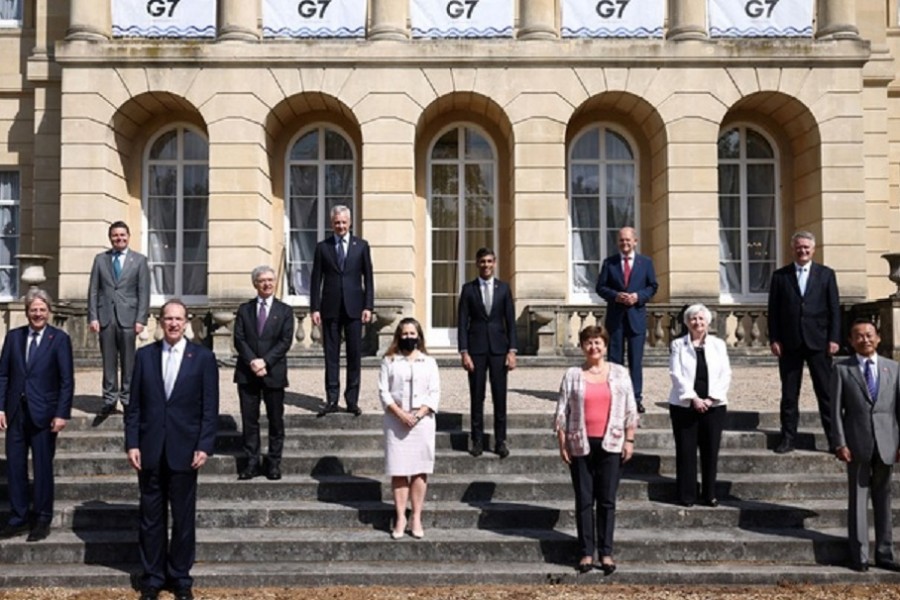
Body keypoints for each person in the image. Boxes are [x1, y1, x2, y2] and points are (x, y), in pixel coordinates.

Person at [125, 299, 219, 600]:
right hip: (150, 448)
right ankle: (152, 577)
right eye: (168, 319)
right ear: (160, 321)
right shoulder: (144, 357)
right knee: (150, 518)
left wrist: (205, 444)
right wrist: (132, 443)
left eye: (179, 319)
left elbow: (209, 407)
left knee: (182, 517)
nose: (174, 324)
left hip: (185, 449)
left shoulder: (202, 358)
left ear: (186, 321)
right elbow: (134, 406)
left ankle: (180, 576)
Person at [554, 325, 638, 575]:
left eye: (598, 342)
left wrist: (630, 439)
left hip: (611, 442)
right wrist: (562, 442)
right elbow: (561, 411)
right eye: (589, 342)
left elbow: (630, 409)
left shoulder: (620, 373)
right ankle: (586, 552)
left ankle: (606, 552)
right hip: (580, 442)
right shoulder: (572, 374)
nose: (594, 347)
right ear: (582, 346)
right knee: (583, 500)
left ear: (605, 345)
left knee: (607, 500)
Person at [0, 289, 73, 542]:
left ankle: (42, 518)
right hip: (16, 412)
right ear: (27, 311)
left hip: (45, 414)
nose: (38, 314)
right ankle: (18, 516)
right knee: (15, 466)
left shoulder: (59, 339)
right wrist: (0, 407)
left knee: (42, 468)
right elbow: (4, 375)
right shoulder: (13, 337)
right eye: (33, 309)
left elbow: (66, 381)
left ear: (48, 311)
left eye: (42, 309)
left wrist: (62, 413)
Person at [830, 319, 900, 573]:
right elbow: (835, 411)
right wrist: (839, 442)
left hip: (887, 442)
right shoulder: (842, 369)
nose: (865, 340)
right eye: (859, 336)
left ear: (878, 338)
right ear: (851, 341)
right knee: (858, 501)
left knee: (884, 499)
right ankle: (858, 555)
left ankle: (885, 553)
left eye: (869, 335)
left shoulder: (893, 368)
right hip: (856, 443)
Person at [767, 230, 840, 453]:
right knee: (789, 394)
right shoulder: (780, 276)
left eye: (806, 247)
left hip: (819, 341)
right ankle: (788, 438)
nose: (803, 251)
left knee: (827, 394)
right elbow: (773, 311)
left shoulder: (826, 274)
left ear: (813, 249)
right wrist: (775, 338)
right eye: (799, 247)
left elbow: (834, 309)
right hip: (789, 343)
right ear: (793, 249)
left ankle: (834, 440)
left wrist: (834, 338)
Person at [378, 317, 440, 540]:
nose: (408, 338)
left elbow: (434, 393)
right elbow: (384, 392)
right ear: (398, 336)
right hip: (396, 421)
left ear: (419, 336)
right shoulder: (389, 360)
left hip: (422, 422)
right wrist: (401, 414)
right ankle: (400, 516)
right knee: (399, 469)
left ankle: (416, 516)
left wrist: (419, 413)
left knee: (419, 470)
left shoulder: (429, 362)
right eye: (404, 334)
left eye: (412, 334)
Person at [310, 204, 374, 417]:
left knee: (354, 355)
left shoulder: (361, 246)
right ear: (331, 223)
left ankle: (352, 400)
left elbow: (369, 278)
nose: (340, 226)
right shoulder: (322, 247)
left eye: (344, 222)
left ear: (350, 223)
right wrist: (314, 308)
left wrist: (368, 306)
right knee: (331, 356)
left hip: (355, 308)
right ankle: (332, 399)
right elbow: (315, 279)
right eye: (337, 222)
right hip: (329, 308)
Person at [233, 265, 294, 481]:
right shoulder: (244, 310)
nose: (267, 284)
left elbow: (285, 341)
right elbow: (238, 339)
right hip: (247, 373)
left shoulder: (285, 311)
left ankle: (274, 463)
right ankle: (251, 463)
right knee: (250, 421)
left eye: (270, 279)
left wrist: (265, 361)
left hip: (273, 372)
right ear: (255, 284)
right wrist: (252, 361)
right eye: (262, 280)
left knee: (275, 420)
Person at [667, 303, 731, 507]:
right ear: (687, 322)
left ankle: (709, 494)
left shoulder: (718, 344)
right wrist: (693, 398)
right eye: (693, 319)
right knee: (686, 451)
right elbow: (676, 373)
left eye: (701, 319)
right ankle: (687, 495)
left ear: (707, 322)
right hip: (684, 405)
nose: (697, 322)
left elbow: (725, 373)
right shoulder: (678, 345)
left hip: (714, 405)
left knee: (710, 451)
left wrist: (712, 398)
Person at [457, 247, 518, 458]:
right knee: (477, 397)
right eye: (482, 261)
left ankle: (500, 441)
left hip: (500, 350)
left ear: (495, 263)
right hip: (476, 350)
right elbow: (462, 322)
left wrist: (512, 351)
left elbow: (510, 321)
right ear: (477, 263)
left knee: (500, 398)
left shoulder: (504, 289)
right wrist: (464, 352)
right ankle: (477, 441)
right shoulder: (468, 289)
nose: (486, 265)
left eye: (489, 261)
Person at [88, 220, 151, 416]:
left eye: (122, 235)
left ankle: (128, 398)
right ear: (110, 238)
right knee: (108, 361)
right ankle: (109, 399)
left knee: (129, 361)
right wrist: (93, 317)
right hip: (106, 317)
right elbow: (93, 291)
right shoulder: (100, 260)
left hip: (129, 318)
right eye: (115, 235)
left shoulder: (139, 261)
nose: (119, 238)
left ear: (128, 237)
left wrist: (141, 319)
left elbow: (144, 292)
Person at [596, 226, 658, 414]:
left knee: (635, 361)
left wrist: (638, 296)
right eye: (621, 240)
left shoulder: (645, 263)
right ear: (618, 242)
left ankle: (636, 398)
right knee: (614, 362)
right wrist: (616, 296)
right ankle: (615, 397)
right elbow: (600, 287)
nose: (625, 243)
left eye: (628, 240)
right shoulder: (609, 263)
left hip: (636, 318)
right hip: (615, 319)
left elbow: (653, 286)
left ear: (635, 241)